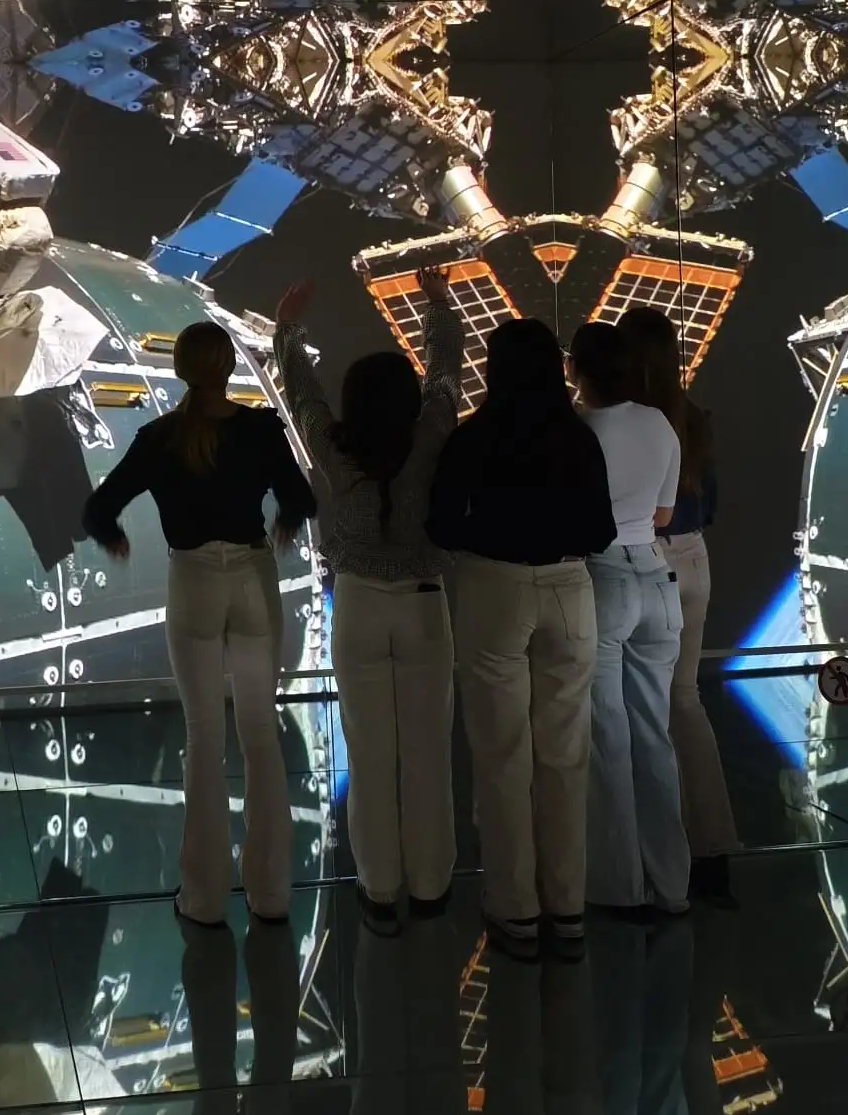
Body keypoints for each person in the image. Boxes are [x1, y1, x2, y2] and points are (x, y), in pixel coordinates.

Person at [82, 321, 316, 926]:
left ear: (181, 369)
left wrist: (115, 540)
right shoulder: (261, 429)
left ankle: (204, 899)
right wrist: (283, 524)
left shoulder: (160, 437)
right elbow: (301, 498)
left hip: (192, 582)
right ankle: (272, 894)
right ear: (229, 367)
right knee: (261, 735)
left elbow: (100, 508)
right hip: (252, 577)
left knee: (203, 737)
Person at [273, 271, 462, 931]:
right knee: (429, 753)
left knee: (370, 753)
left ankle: (379, 891)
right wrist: (439, 308)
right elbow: (446, 377)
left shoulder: (337, 448)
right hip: (424, 605)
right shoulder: (431, 435)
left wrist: (287, 329)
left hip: (357, 607)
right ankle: (432, 887)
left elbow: (303, 396)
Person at [429, 318, 618, 961]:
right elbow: (600, 531)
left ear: (494, 368)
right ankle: (567, 907)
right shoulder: (579, 437)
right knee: (565, 755)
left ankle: (515, 909)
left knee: (502, 755)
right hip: (570, 589)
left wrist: (491, 534)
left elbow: (442, 526)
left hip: (493, 589)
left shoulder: (472, 437)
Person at [617, 306, 741, 904]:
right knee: (684, 701)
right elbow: (709, 505)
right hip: (694, 559)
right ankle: (713, 849)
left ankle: (654, 860)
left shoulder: (625, 424)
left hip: (642, 560)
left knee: (638, 712)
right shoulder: (693, 419)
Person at [569, 318, 691, 918]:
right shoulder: (659, 423)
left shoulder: (577, 430)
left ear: (576, 369)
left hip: (603, 578)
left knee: (608, 738)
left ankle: (620, 889)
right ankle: (673, 887)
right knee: (654, 734)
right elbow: (664, 515)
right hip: (656, 576)